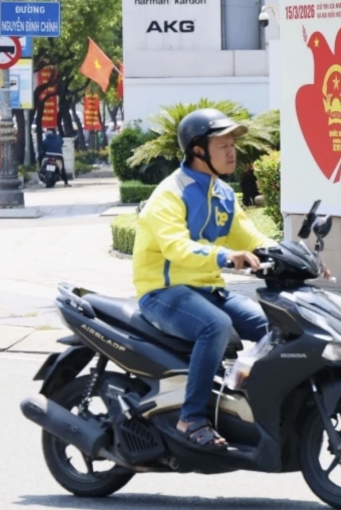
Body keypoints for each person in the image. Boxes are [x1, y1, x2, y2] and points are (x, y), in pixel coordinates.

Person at [131, 109, 276, 449]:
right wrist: (225, 256)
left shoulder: (223, 193)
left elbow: (251, 237)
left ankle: (246, 398)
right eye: (222, 145)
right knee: (216, 325)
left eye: (232, 144)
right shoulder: (170, 194)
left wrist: (296, 257)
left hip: (209, 290)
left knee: (276, 326)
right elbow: (177, 247)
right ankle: (191, 417)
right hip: (163, 291)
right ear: (198, 150)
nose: (232, 151)